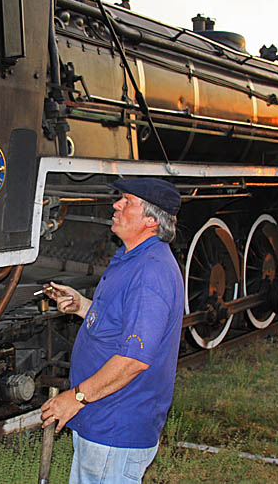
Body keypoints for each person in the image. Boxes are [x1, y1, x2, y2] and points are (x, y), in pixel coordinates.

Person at [40, 178, 184, 484]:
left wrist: (76, 398)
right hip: (104, 417)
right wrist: (81, 306)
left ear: (150, 219)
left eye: (127, 201)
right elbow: (124, 324)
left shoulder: (150, 272)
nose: (116, 205)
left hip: (116, 426)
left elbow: (134, 360)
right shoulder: (133, 257)